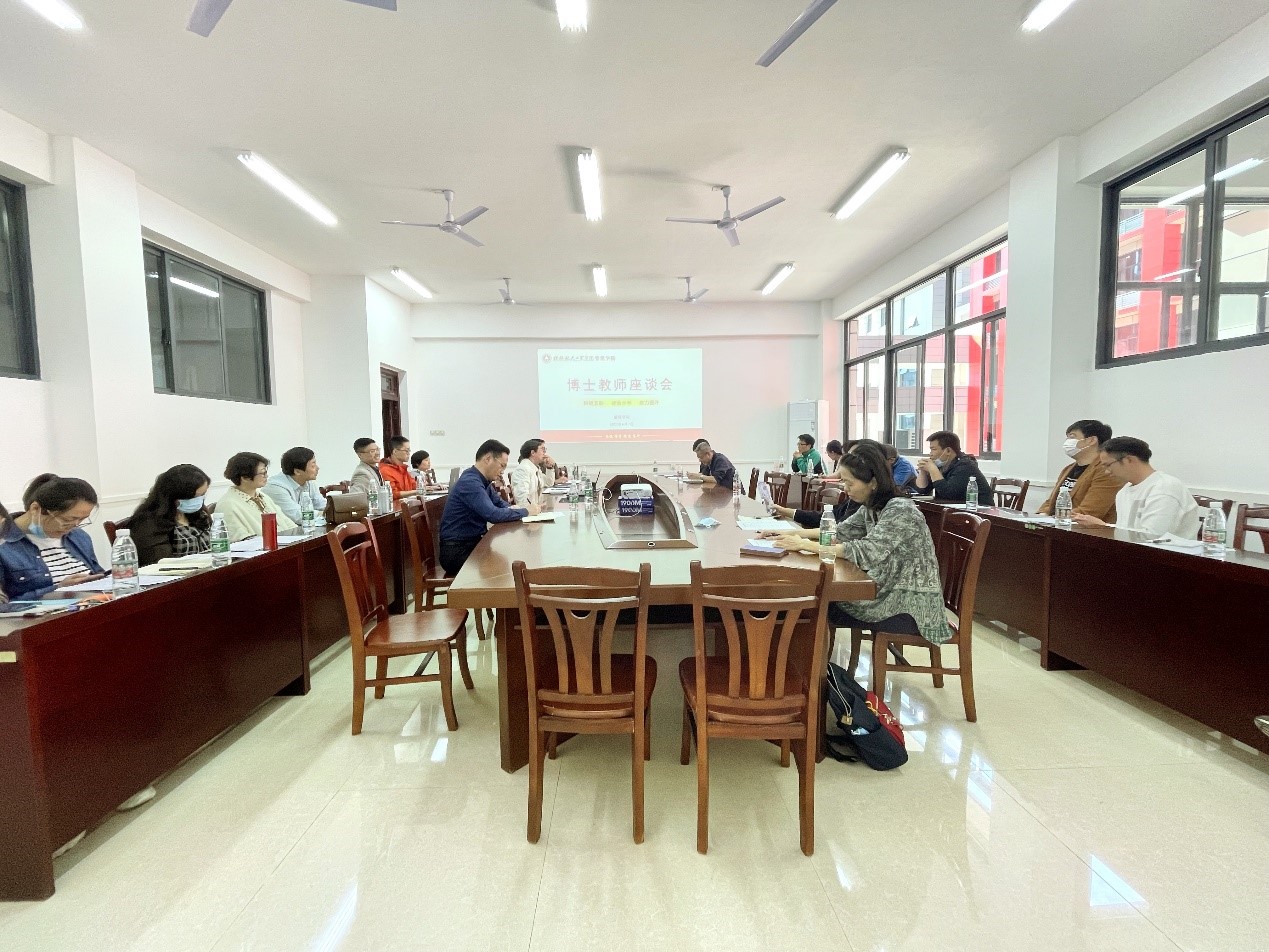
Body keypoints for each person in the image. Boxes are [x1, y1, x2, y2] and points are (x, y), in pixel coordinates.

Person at [765, 444, 951, 645]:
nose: (845, 489)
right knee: (811, 599)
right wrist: (788, 533)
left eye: (849, 483)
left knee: (815, 603)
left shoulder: (900, 509)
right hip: (886, 592)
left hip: (910, 607)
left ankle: (807, 663)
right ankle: (806, 662)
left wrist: (804, 545)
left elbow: (865, 551)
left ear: (873, 482)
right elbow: (840, 531)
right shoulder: (873, 506)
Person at [439, 439, 542, 575]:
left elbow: (501, 504)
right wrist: (526, 511)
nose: (502, 472)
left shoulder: (483, 481)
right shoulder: (470, 482)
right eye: (502, 466)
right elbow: (493, 515)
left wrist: (517, 509)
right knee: (506, 568)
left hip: (474, 544)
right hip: (458, 551)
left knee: (513, 556)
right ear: (488, 459)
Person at [0, 474, 106, 601]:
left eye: (81, 520)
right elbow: (4, 604)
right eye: (67, 520)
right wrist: (58, 590)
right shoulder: (4, 545)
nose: (73, 526)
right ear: (35, 509)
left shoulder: (78, 536)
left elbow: (99, 575)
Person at [1072, 437, 1200, 538]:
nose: (1106, 471)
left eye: (1108, 465)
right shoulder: (1125, 490)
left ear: (1129, 460)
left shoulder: (1165, 488)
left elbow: (1153, 538)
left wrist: (1104, 527)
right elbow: (1127, 532)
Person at [1036, 419, 1122, 521]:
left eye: (1072, 437)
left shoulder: (1106, 471)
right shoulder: (1068, 469)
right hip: (1057, 523)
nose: (1067, 442)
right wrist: (1041, 515)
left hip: (1082, 528)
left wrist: (1055, 519)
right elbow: (1051, 502)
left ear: (1091, 440)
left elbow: (1089, 511)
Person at [127, 464, 213, 565]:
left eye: (203, 495)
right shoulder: (148, 523)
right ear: (174, 495)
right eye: (196, 496)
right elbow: (162, 563)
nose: (199, 501)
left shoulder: (199, 513)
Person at [215, 452, 297, 542]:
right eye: (262, 473)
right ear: (245, 477)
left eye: (266, 472)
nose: (266, 476)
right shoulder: (228, 505)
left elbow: (288, 524)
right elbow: (240, 540)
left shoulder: (263, 497)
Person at [912, 430, 992, 503]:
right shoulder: (941, 465)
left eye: (934, 449)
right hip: (950, 509)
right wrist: (922, 471)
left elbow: (948, 493)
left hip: (978, 511)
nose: (930, 454)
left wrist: (933, 469)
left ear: (948, 451)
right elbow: (922, 491)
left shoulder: (965, 465)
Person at [262, 447, 324, 525]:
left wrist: (333, 510)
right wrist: (325, 514)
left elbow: (320, 504)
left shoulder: (308, 481)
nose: (317, 468)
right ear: (297, 471)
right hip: (281, 530)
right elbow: (297, 515)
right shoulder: (275, 487)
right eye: (313, 465)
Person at [511, 438, 549, 508]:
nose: (544, 452)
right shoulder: (523, 469)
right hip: (529, 511)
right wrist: (534, 509)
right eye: (542, 449)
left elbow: (548, 484)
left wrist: (550, 467)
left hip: (537, 508)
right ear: (533, 452)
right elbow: (522, 499)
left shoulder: (535, 468)